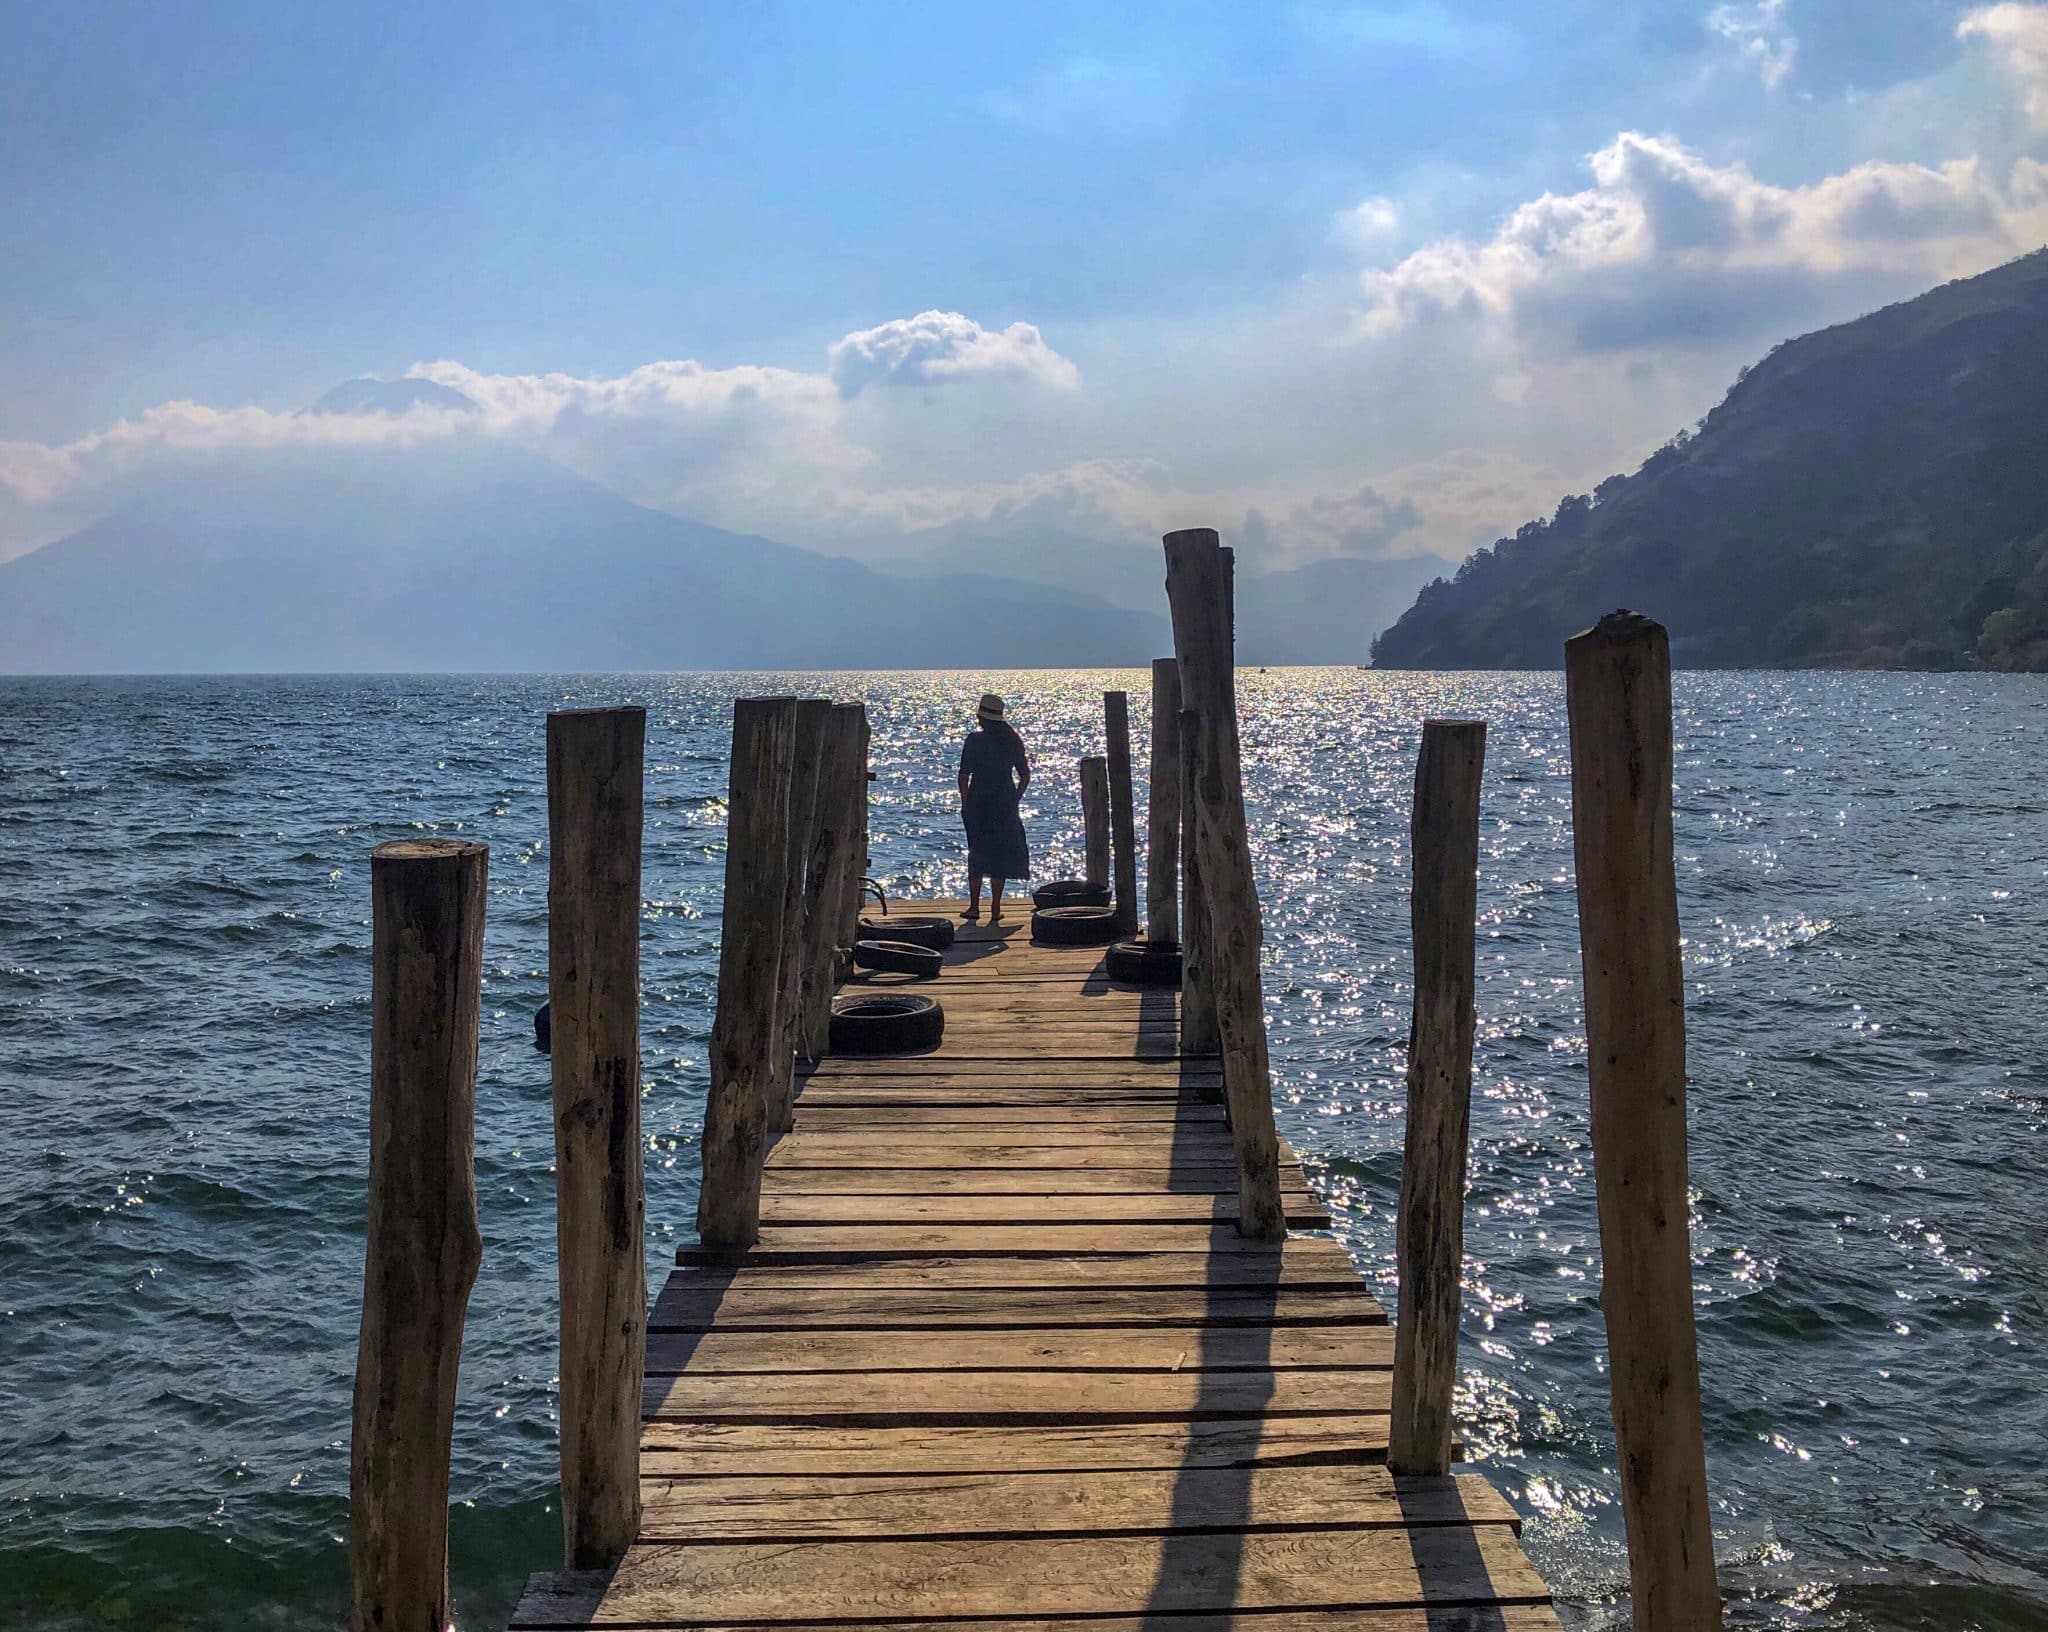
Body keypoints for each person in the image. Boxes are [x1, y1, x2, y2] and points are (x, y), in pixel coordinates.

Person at [958, 692, 1031, 923]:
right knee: (1000, 852)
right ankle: (996, 907)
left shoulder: (974, 741)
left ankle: (974, 906)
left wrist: (965, 802)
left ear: (981, 718)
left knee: (977, 851)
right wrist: (1015, 799)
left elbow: (963, 776)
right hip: (1004, 802)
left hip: (978, 801)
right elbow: (1025, 775)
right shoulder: (1012, 740)